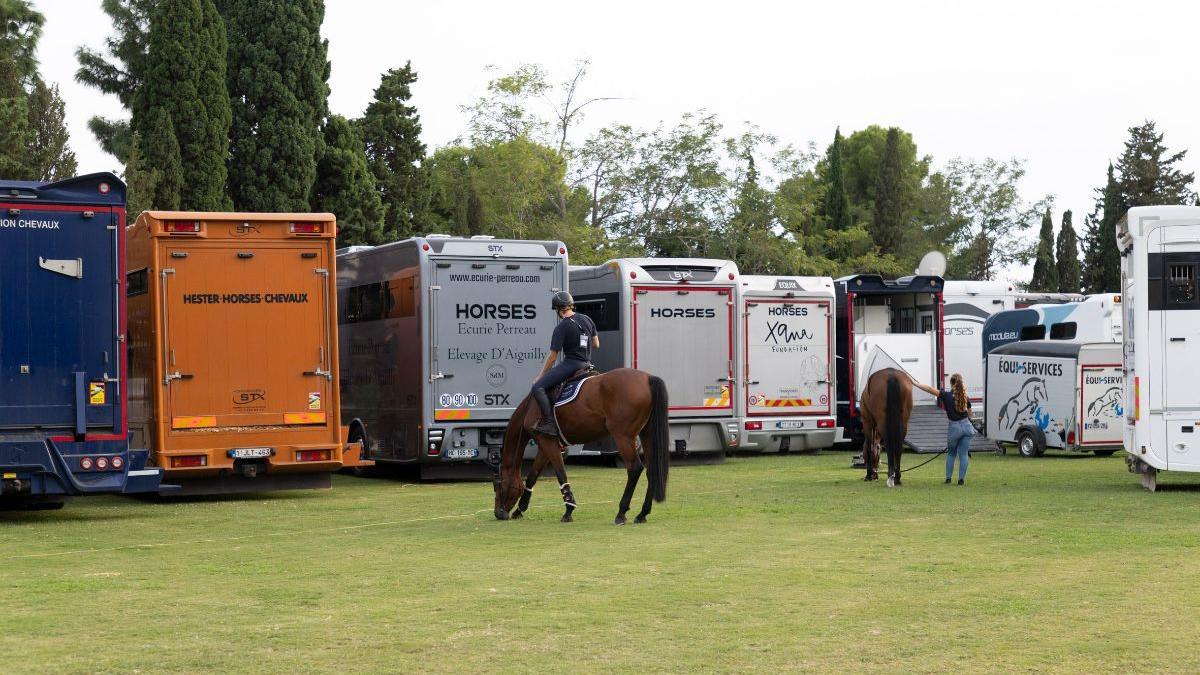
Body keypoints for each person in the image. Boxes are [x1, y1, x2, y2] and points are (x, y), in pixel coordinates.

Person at [529, 290, 598, 437]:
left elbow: (553, 357)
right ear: (570, 306)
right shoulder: (587, 319)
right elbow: (596, 344)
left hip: (572, 364)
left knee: (538, 387)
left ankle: (549, 423)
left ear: (559, 310)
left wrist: (541, 375)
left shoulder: (561, 327)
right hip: (587, 364)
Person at [913, 373, 973, 485]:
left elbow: (930, 389)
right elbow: (970, 414)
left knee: (951, 454)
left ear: (951, 383)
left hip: (954, 428)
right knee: (963, 454)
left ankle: (948, 479)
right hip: (967, 427)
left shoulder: (946, 395)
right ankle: (961, 480)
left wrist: (915, 383)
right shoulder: (965, 397)